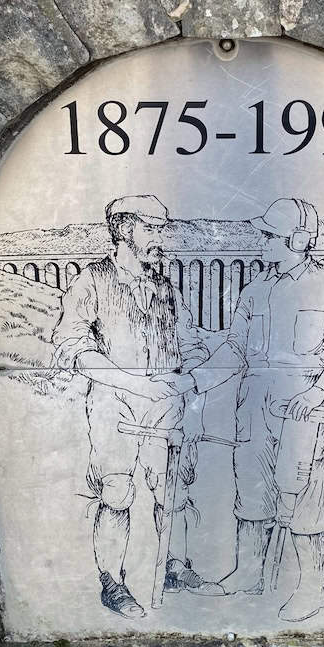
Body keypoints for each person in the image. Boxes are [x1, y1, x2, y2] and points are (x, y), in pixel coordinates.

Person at [175, 197, 324, 622]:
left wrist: (322, 391)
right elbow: (234, 348)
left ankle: (312, 586)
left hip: (302, 406)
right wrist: (193, 381)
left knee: (304, 495)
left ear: (299, 240)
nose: (262, 243)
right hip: (255, 403)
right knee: (251, 490)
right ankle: (248, 573)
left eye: (270, 236)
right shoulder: (256, 290)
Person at [52, 194, 216, 619]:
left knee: (172, 490)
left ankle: (172, 566)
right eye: (153, 228)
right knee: (117, 493)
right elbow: (72, 345)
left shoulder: (165, 287)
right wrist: (132, 383)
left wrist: (187, 379)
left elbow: (191, 343)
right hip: (115, 404)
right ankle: (112, 581)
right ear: (126, 230)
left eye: (162, 228)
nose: (161, 236)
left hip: (165, 404)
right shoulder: (93, 281)